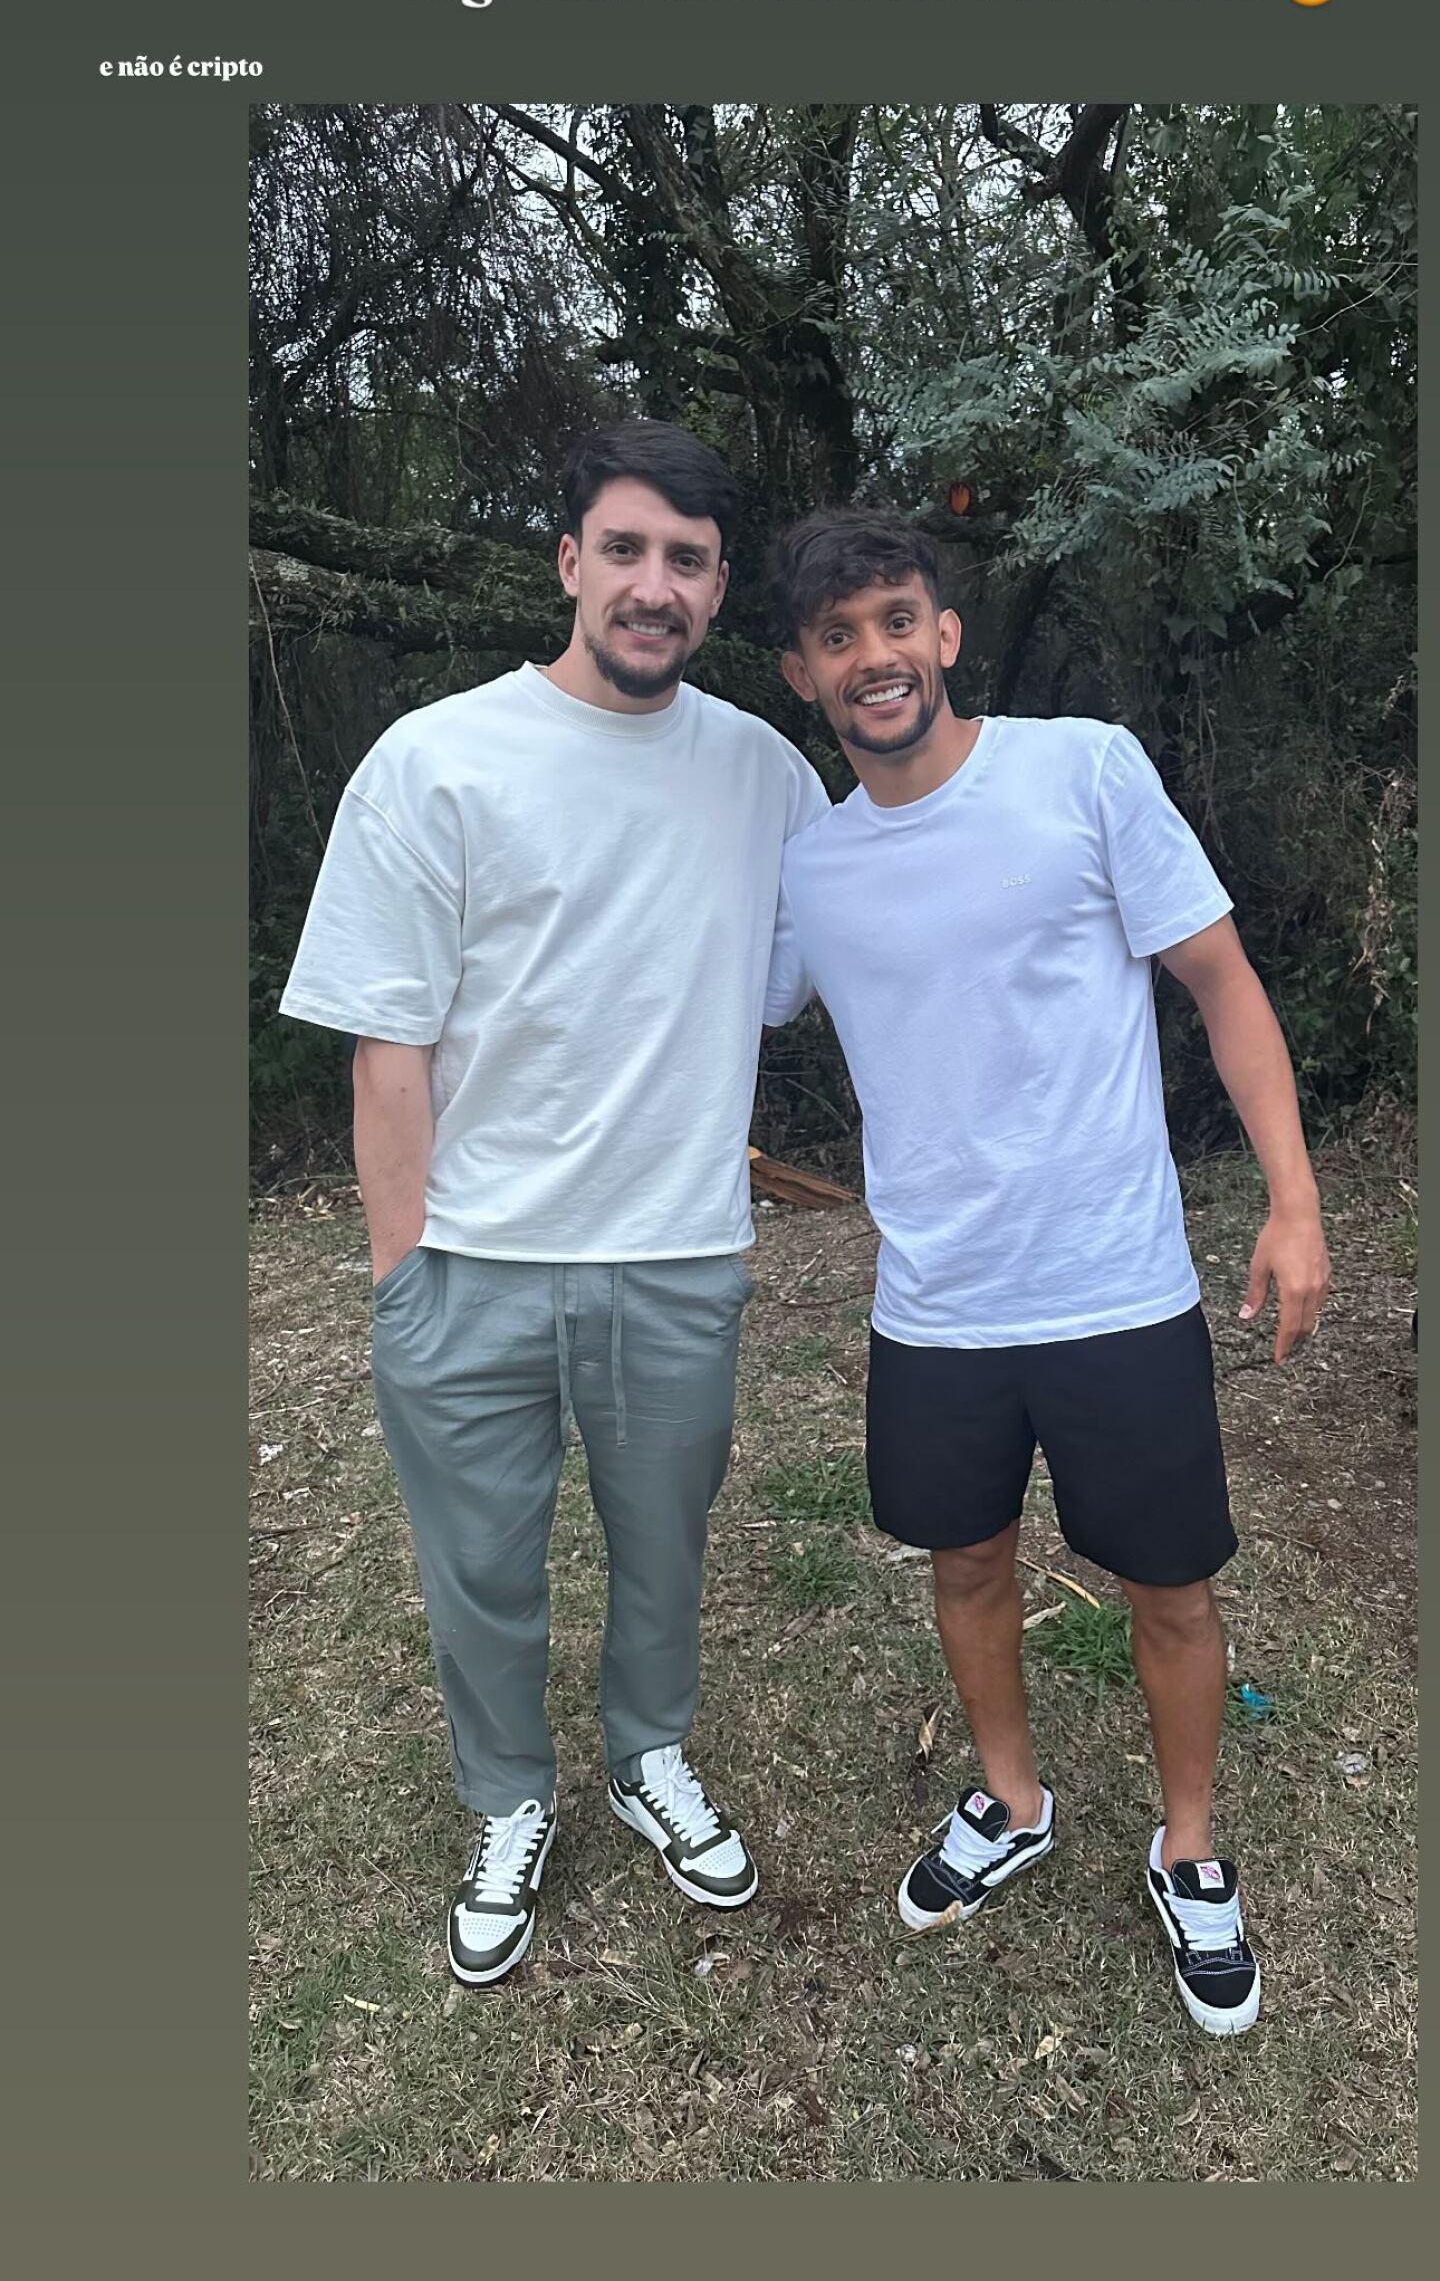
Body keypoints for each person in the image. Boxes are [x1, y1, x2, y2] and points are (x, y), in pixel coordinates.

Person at [763, 510, 1331, 2037]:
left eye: (897, 621)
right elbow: (693, 992)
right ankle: (1013, 1799)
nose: (874, 656)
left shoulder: (1083, 769)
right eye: (838, 637)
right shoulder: (810, 867)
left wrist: (1292, 1199)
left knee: (1172, 1585)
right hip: (934, 1307)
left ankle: (1191, 1846)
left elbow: (1220, 980)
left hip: (1117, 1289)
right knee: (963, 1564)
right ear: (803, 672)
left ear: (945, 633)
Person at [280, 421, 829, 1987]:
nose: (655, 585)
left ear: (720, 591)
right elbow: (389, 1046)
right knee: (485, 1571)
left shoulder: (765, 778)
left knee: (665, 1551)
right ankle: (509, 1798)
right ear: (570, 559)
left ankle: (652, 1756)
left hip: (676, 1258)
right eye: (628, 549)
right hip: (471, 1263)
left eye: (690, 560)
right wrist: (402, 1277)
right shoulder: (437, 759)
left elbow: (848, 951)